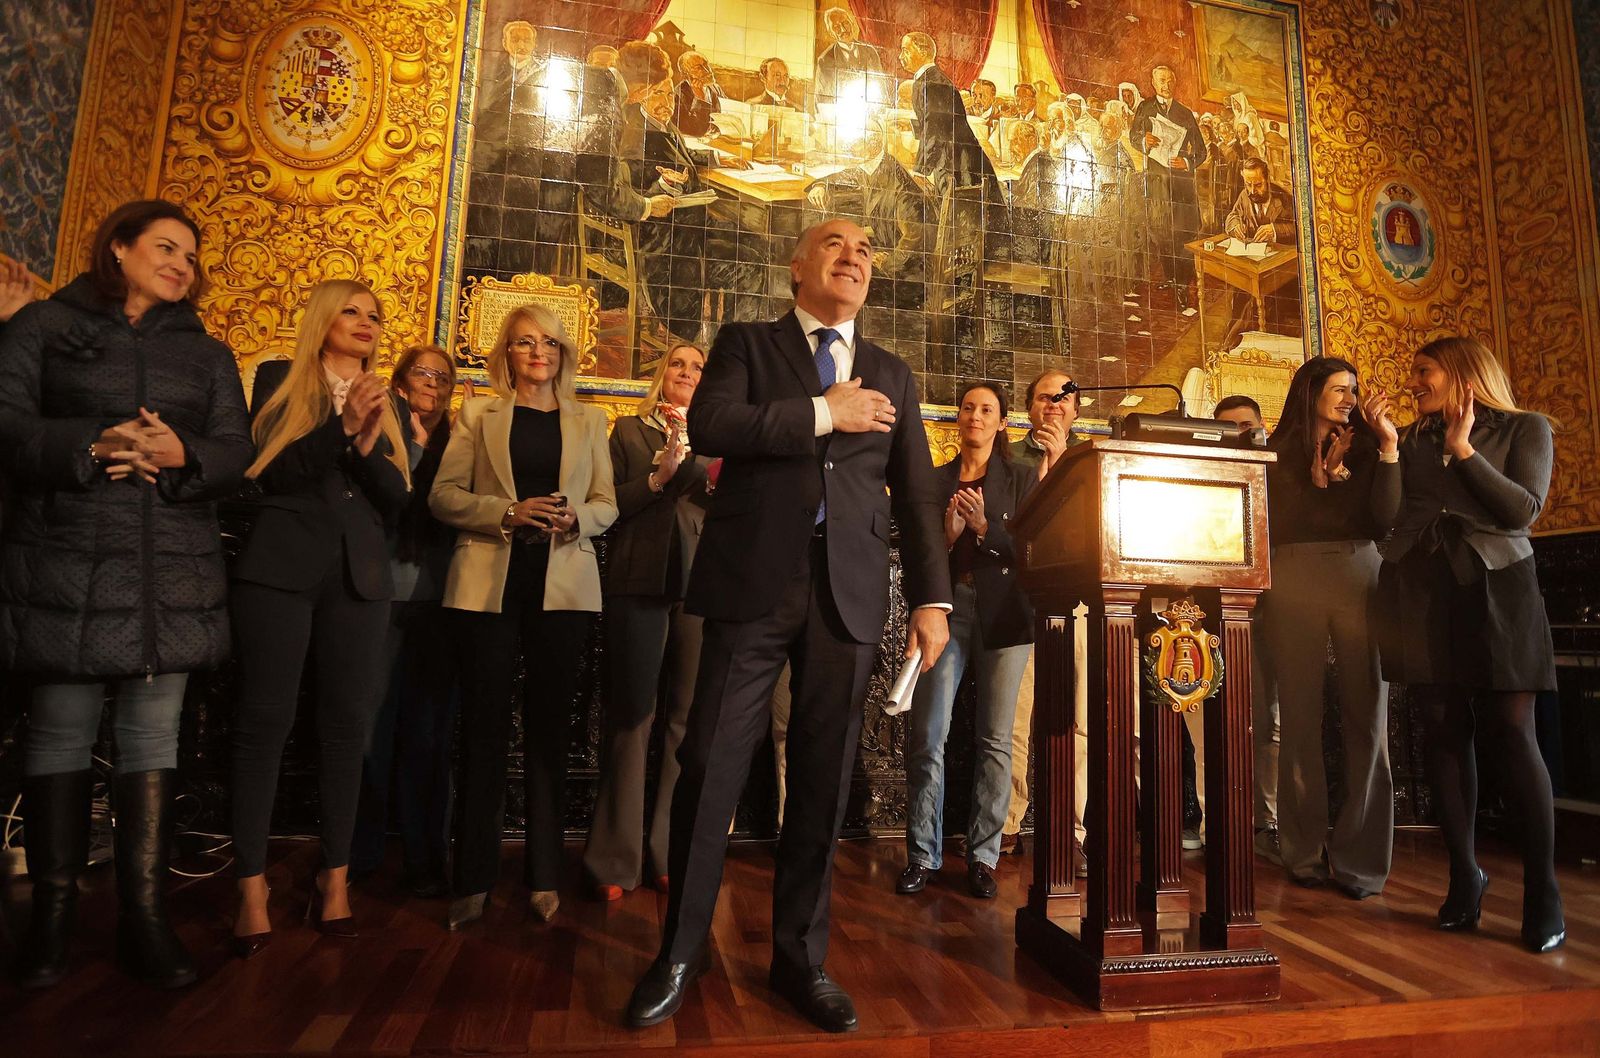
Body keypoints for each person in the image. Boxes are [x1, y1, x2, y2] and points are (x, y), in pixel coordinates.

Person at [625, 219, 950, 1034]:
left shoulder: (893, 372)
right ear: (798, 267)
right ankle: (680, 952)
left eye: (866, 249)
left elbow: (916, 493)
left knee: (821, 776)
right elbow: (713, 427)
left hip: (849, 591)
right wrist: (822, 412)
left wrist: (931, 601)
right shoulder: (748, 343)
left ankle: (801, 959)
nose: (855, 256)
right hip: (753, 581)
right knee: (709, 763)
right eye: (836, 244)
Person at [0, 200, 251, 989]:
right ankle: (51, 923)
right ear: (119, 247)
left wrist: (184, 452)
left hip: (170, 564)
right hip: (65, 555)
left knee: (153, 737)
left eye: (191, 256)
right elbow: (5, 423)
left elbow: (235, 449)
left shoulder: (207, 353)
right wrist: (90, 442)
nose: (181, 264)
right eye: (166, 247)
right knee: (59, 734)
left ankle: (145, 918)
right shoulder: (44, 326)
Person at [229, 279, 413, 957]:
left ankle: (334, 880)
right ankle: (250, 887)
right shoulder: (278, 378)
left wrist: (364, 445)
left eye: (375, 315)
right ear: (323, 318)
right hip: (279, 572)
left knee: (345, 731)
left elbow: (397, 499)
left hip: (360, 580)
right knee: (263, 726)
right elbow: (270, 473)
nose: (366, 322)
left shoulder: (386, 399)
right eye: (352, 311)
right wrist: (342, 429)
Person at [1365, 336, 1564, 952]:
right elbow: (1385, 520)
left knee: (1513, 730)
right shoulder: (1407, 439)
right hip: (1422, 590)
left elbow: (1521, 511)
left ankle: (1542, 890)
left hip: (1501, 589)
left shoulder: (1527, 428)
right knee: (1443, 731)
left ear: (1460, 373)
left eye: (1423, 371)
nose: (1413, 383)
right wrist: (1389, 450)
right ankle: (1464, 876)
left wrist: (1464, 450)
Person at [430, 304, 617, 928]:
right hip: (487, 585)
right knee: (482, 731)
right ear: (506, 353)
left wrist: (577, 517)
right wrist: (506, 513)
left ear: (564, 355)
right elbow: (443, 496)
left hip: (563, 586)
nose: (540, 352)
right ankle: (473, 878)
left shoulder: (590, 419)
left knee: (549, 733)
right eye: (525, 342)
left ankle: (543, 875)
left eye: (550, 344)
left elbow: (606, 503)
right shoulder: (478, 414)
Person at [582, 344, 711, 899]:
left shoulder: (717, 438)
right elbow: (605, 503)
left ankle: (668, 851)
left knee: (685, 720)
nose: (687, 372)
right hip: (637, 579)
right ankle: (614, 860)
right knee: (631, 716)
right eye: (678, 364)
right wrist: (657, 480)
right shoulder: (628, 432)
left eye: (698, 367)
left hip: (700, 584)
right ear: (662, 375)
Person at [898, 382, 1035, 898]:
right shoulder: (935, 480)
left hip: (1007, 614)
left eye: (987, 409)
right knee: (929, 733)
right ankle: (922, 855)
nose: (975, 416)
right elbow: (916, 551)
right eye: (968, 408)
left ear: (1002, 422)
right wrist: (949, 536)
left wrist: (984, 529)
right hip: (946, 610)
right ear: (958, 418)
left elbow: (1034, 549)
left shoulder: (1021, 479)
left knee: (996, 739)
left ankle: (983, 857)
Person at [1264, 357, 1393, 898]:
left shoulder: (1370, 447)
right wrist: (1316, 479)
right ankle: (1302, 851)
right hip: (1293, 574)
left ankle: (1362, 862)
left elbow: (1383, 520)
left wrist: (1382, 451)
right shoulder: (1275, 450)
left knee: (1368, 715)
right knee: (1299, 716)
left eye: (1353, 389)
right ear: (1310, 390)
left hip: (1361, 570)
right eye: (1339, 388)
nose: (1349, 398)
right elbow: (1271, 522)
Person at [350, 345, 460, 897]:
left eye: (443, 376)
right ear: (399, 382)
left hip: (441, 603)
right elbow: (387, 501)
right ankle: (361, 855)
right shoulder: (379, 432)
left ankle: (424, 858)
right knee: (371, 731)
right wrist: (413, 448)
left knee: (428, 736)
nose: (433, 383)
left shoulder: (460, 440)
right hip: (380, 597)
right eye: (423, 373)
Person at [1002, 370, 1086, 860]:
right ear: (1030, 407)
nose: (1054, 404)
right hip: (1021, 601)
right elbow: (1012, 526)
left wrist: (1061, 462)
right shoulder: (1007, 457)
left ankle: (1072, 832)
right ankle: (1007, 824)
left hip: (1081, 602)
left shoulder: (1091, 459)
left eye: (1063, 398)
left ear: (1076, 409)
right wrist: (1047, 466)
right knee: (1015, 720)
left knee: (1078, 722)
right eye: (1044, 397)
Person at [1213, 394, 1280, 860]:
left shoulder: (1280, 473)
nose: (1238, 434)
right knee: (1220, 722)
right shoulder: (1204, 474)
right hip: (1219, 610)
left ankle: (1267, 822)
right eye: (1227, 428)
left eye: (1245, 426)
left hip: (1277, 608)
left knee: (1272, 721)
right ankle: (1222, 820)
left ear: (1261, 427)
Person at [1130, 65, 1206, 311]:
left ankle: (1183, 283)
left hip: (1181, 185)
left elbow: (1201, 151)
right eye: (1162, 80)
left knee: (1182, 233)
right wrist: (1144, 141)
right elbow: (1133, 137)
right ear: (1153, 83)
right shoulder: (1145, 108)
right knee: (1160, 231)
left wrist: (1187, 162)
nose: (1166, 85)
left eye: (1170, 80)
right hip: (1157, 183)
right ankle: (1171, 277)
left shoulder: (1185, 113)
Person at [900, 32, 1001, 202]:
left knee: (958, 210)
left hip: (959, 165)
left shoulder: (933, 82)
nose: (901, 56)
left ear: (923, 52)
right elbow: (937, 122)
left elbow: (934, 129)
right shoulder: (927, 79)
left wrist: (921, 171)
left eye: (906, 50)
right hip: (952, 161)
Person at [673, 51, 725, 137]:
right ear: (686, 75)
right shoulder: (678, 95)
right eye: (698, 68)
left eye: (706, 64)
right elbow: (693, 130)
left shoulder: (715, 88)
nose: (707, 70)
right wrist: (700, 99)